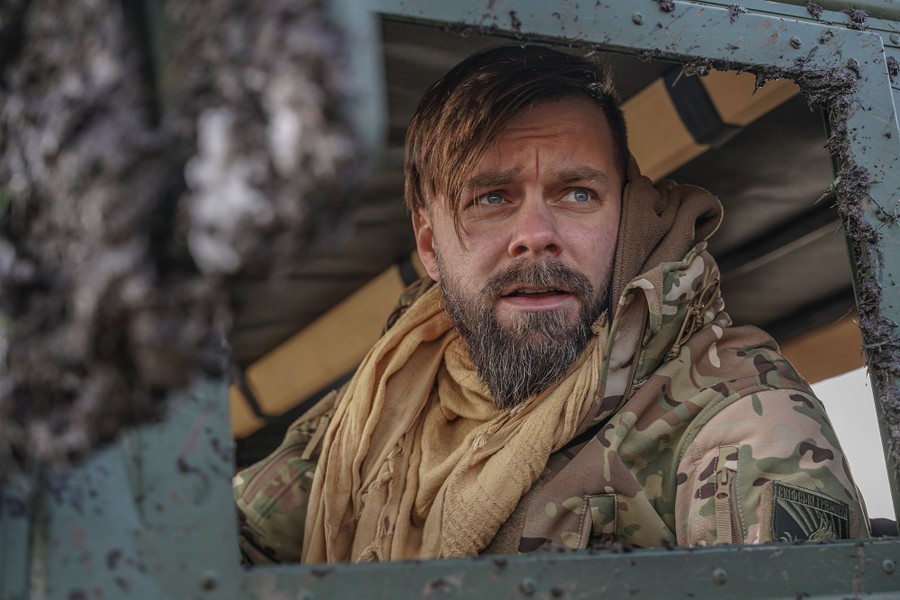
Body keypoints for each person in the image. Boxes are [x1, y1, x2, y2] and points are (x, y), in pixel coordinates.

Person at [233, 45, 869, 564]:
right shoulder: (390, 393)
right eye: (492, 197)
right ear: (430, 245)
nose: (535, 233)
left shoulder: (734, 414)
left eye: (577, 194)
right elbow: (214, 548)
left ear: (627, 216)